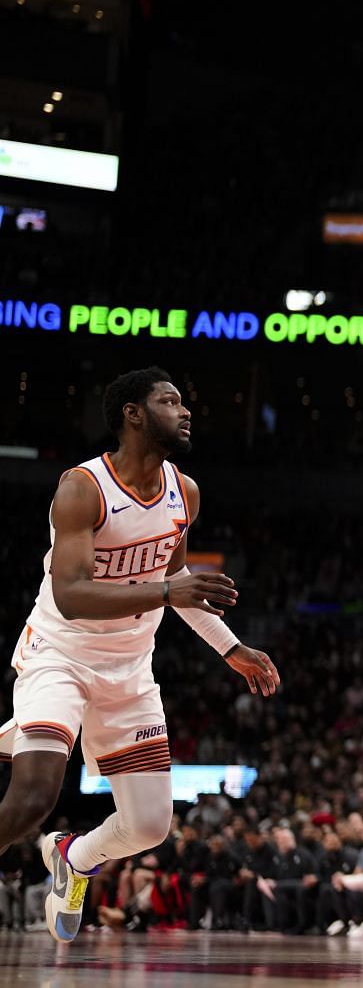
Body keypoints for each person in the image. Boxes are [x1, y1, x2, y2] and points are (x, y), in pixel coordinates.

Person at [0, 367, 281, 942]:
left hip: (128, 672)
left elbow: (175, 579)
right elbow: (71, 596)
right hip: (59, 654)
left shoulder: (186, 491)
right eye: (170, 401)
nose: (186, 411)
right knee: (33, 796)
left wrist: (230, 647)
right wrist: (164, 591)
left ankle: (75, 859)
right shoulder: (83, 488)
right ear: (133, 413)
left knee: (150, 826)